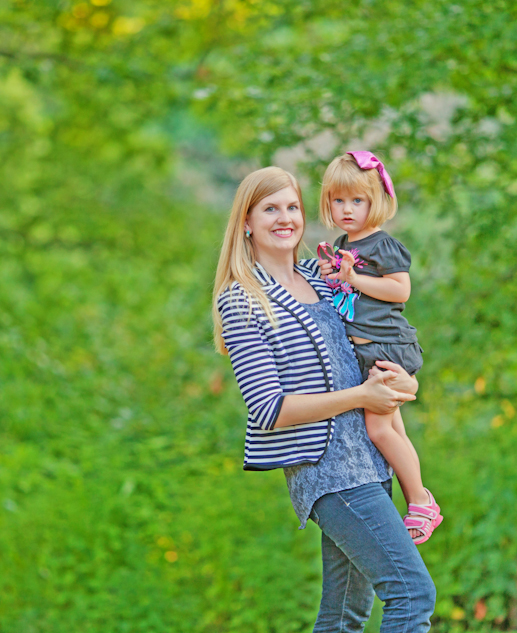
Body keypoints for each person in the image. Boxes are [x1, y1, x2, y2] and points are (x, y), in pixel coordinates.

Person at [213, 166, 436, 632]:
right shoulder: (242, 300)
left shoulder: (323, 276)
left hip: (373, 462)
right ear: (247, 222)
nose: (285, 218)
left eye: (292, 206)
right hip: (329, 473)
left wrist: (404, 384)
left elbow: (377, 336)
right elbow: (270, 409)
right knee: (412, 593)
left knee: (343, 616)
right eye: (270, 208)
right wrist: (361, 394)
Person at [317, 151, 443, 545]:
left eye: (358, 200)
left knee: (379, 429)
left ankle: (421, 501)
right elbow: (346, 296)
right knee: (393, 429)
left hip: (388, 347)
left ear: (377, 201)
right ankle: (417, 499)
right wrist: (336, 276)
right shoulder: (342, 244)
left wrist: (354, 277)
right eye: (339, 200)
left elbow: (399, 290)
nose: (347, 209)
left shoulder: (382, 245)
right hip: (368, 352)